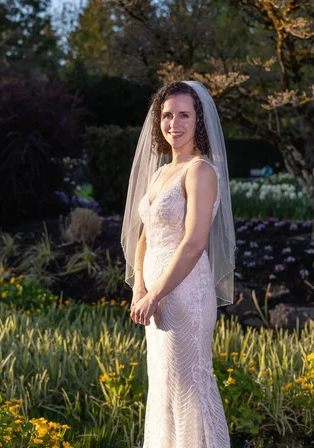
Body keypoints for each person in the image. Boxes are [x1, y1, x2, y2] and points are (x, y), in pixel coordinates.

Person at [121, 80, 236, 448]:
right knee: (164, 387)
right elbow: (144, 237)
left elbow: (193, 243)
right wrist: (140, 286)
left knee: (188, 388)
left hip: (184, 296)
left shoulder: (200, 171)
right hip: (154, 298)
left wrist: (155, 293)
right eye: (167, 115)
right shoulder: (161, 172)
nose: (175, 123)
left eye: (184, 115)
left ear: (198, 121)